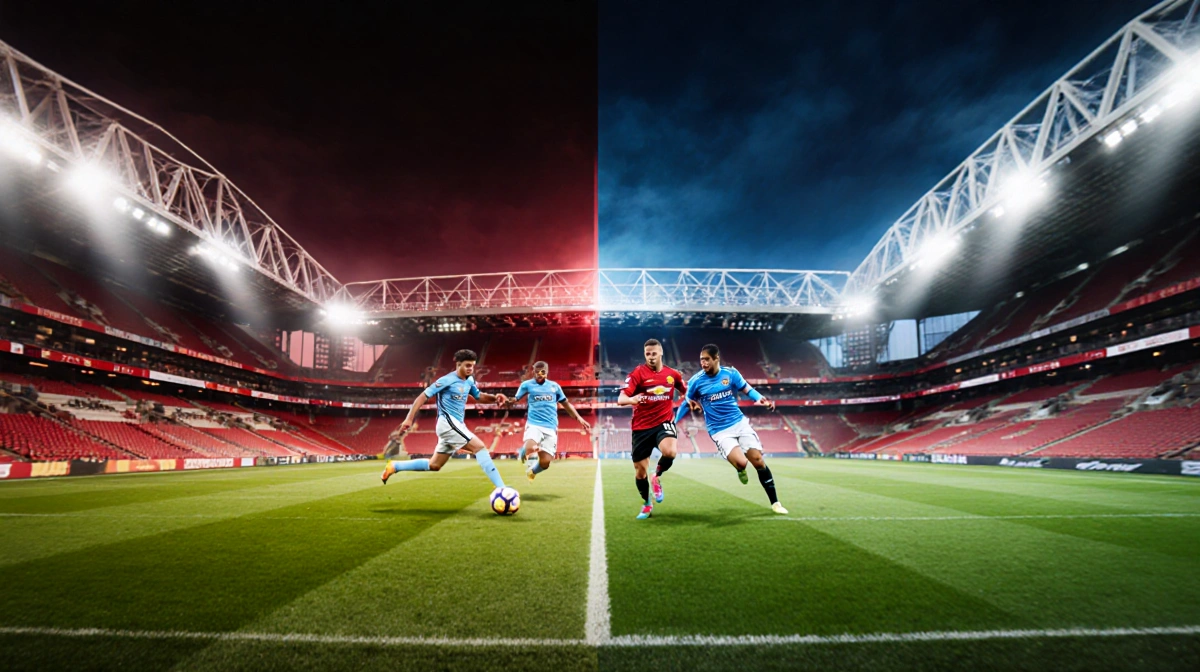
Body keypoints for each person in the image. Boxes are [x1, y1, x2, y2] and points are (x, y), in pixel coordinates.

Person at [675, 344, 787, 514]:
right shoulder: (696, 381)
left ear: (716, 358)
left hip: (739, 423)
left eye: (706, 359)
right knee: (742, 463)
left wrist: (761, 399)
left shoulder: (731, 374)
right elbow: (686, 402)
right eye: (701, 360)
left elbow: (748, 389)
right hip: (719, 430)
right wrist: (675, 423)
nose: (703, 363)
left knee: (757, 460)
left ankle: (775, 503)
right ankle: (740, 470)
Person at [381, 349, 509, 489]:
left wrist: (495, 398)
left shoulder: (469, 380)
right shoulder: (447, 380)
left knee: (434, 465)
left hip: (457, 425)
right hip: (447, 424)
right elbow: (422, 397)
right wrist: (409, 419)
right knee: (479, 447)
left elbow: (479, 396)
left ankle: (395, 466)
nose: (470, 368)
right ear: (458, 365)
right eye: (467, 365)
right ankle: (502, 488)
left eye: (472, 365)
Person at [617, 338, 686, 520]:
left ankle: (657, 476)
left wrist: (691, 399)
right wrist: (633, 400)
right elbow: (621, 398)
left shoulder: (673, 375)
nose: (651, 357)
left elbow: (686, 389)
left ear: (661, 353)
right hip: (641, 427)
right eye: (648, 354)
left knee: (670, 452)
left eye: (654, 353)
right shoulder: (638, 374)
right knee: (640, 472)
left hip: (664, 422)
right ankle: (647, 503)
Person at [509, 361, 592, 482]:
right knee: (531, 447)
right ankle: (524, 452)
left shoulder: (555, 387)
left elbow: (566, 404)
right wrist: (508, 400)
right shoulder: (527, 385)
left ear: (546, 372)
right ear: (533, 372)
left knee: (545, 463)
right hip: (534, 424)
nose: (539, 374)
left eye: (542, 372)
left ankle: (532, 471)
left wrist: (579, 418)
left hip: (551, 427)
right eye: (536, 372)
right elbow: (515, 399)